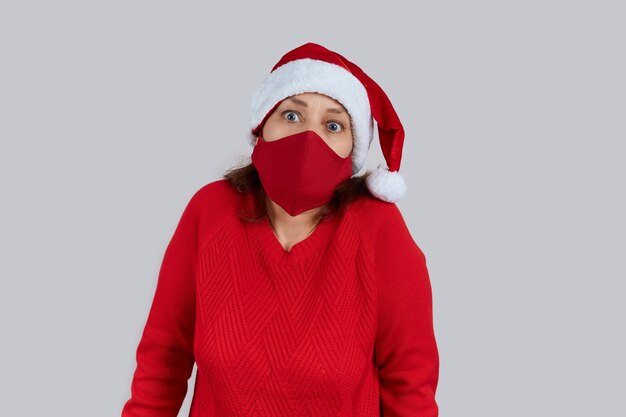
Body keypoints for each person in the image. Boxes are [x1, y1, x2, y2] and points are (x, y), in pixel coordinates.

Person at [121, 42, 440, 417]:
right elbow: (162, 361)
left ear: (353, 149)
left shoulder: (379, 231)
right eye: (291, 116)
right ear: (261, 128)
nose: (309, 138)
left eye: (333, 125)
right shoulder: (210, 211)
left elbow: (411, 384)